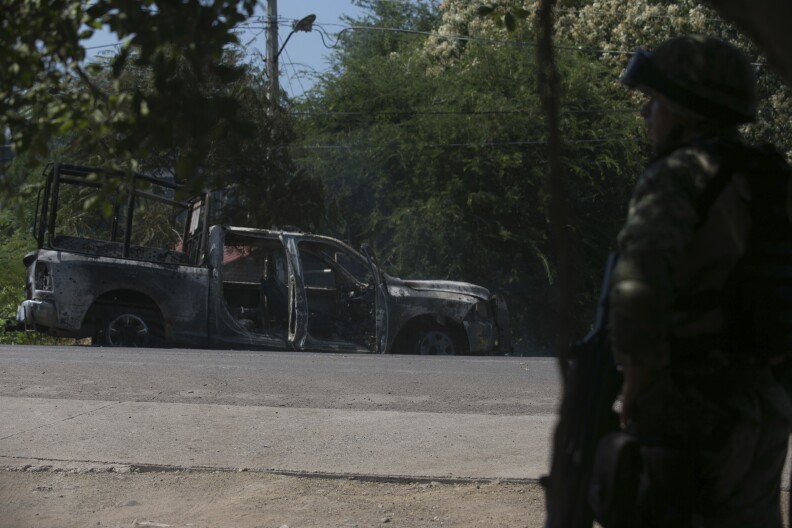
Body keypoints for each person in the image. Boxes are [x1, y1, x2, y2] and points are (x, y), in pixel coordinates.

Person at [609, 34, 792, 527]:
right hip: (762, 407)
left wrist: (635, 384)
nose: (647, 113)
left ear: (684, 111)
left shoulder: (679, 174)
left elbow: (638, 288)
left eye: (655, 101)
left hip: (688, 409)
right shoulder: (768, 177)